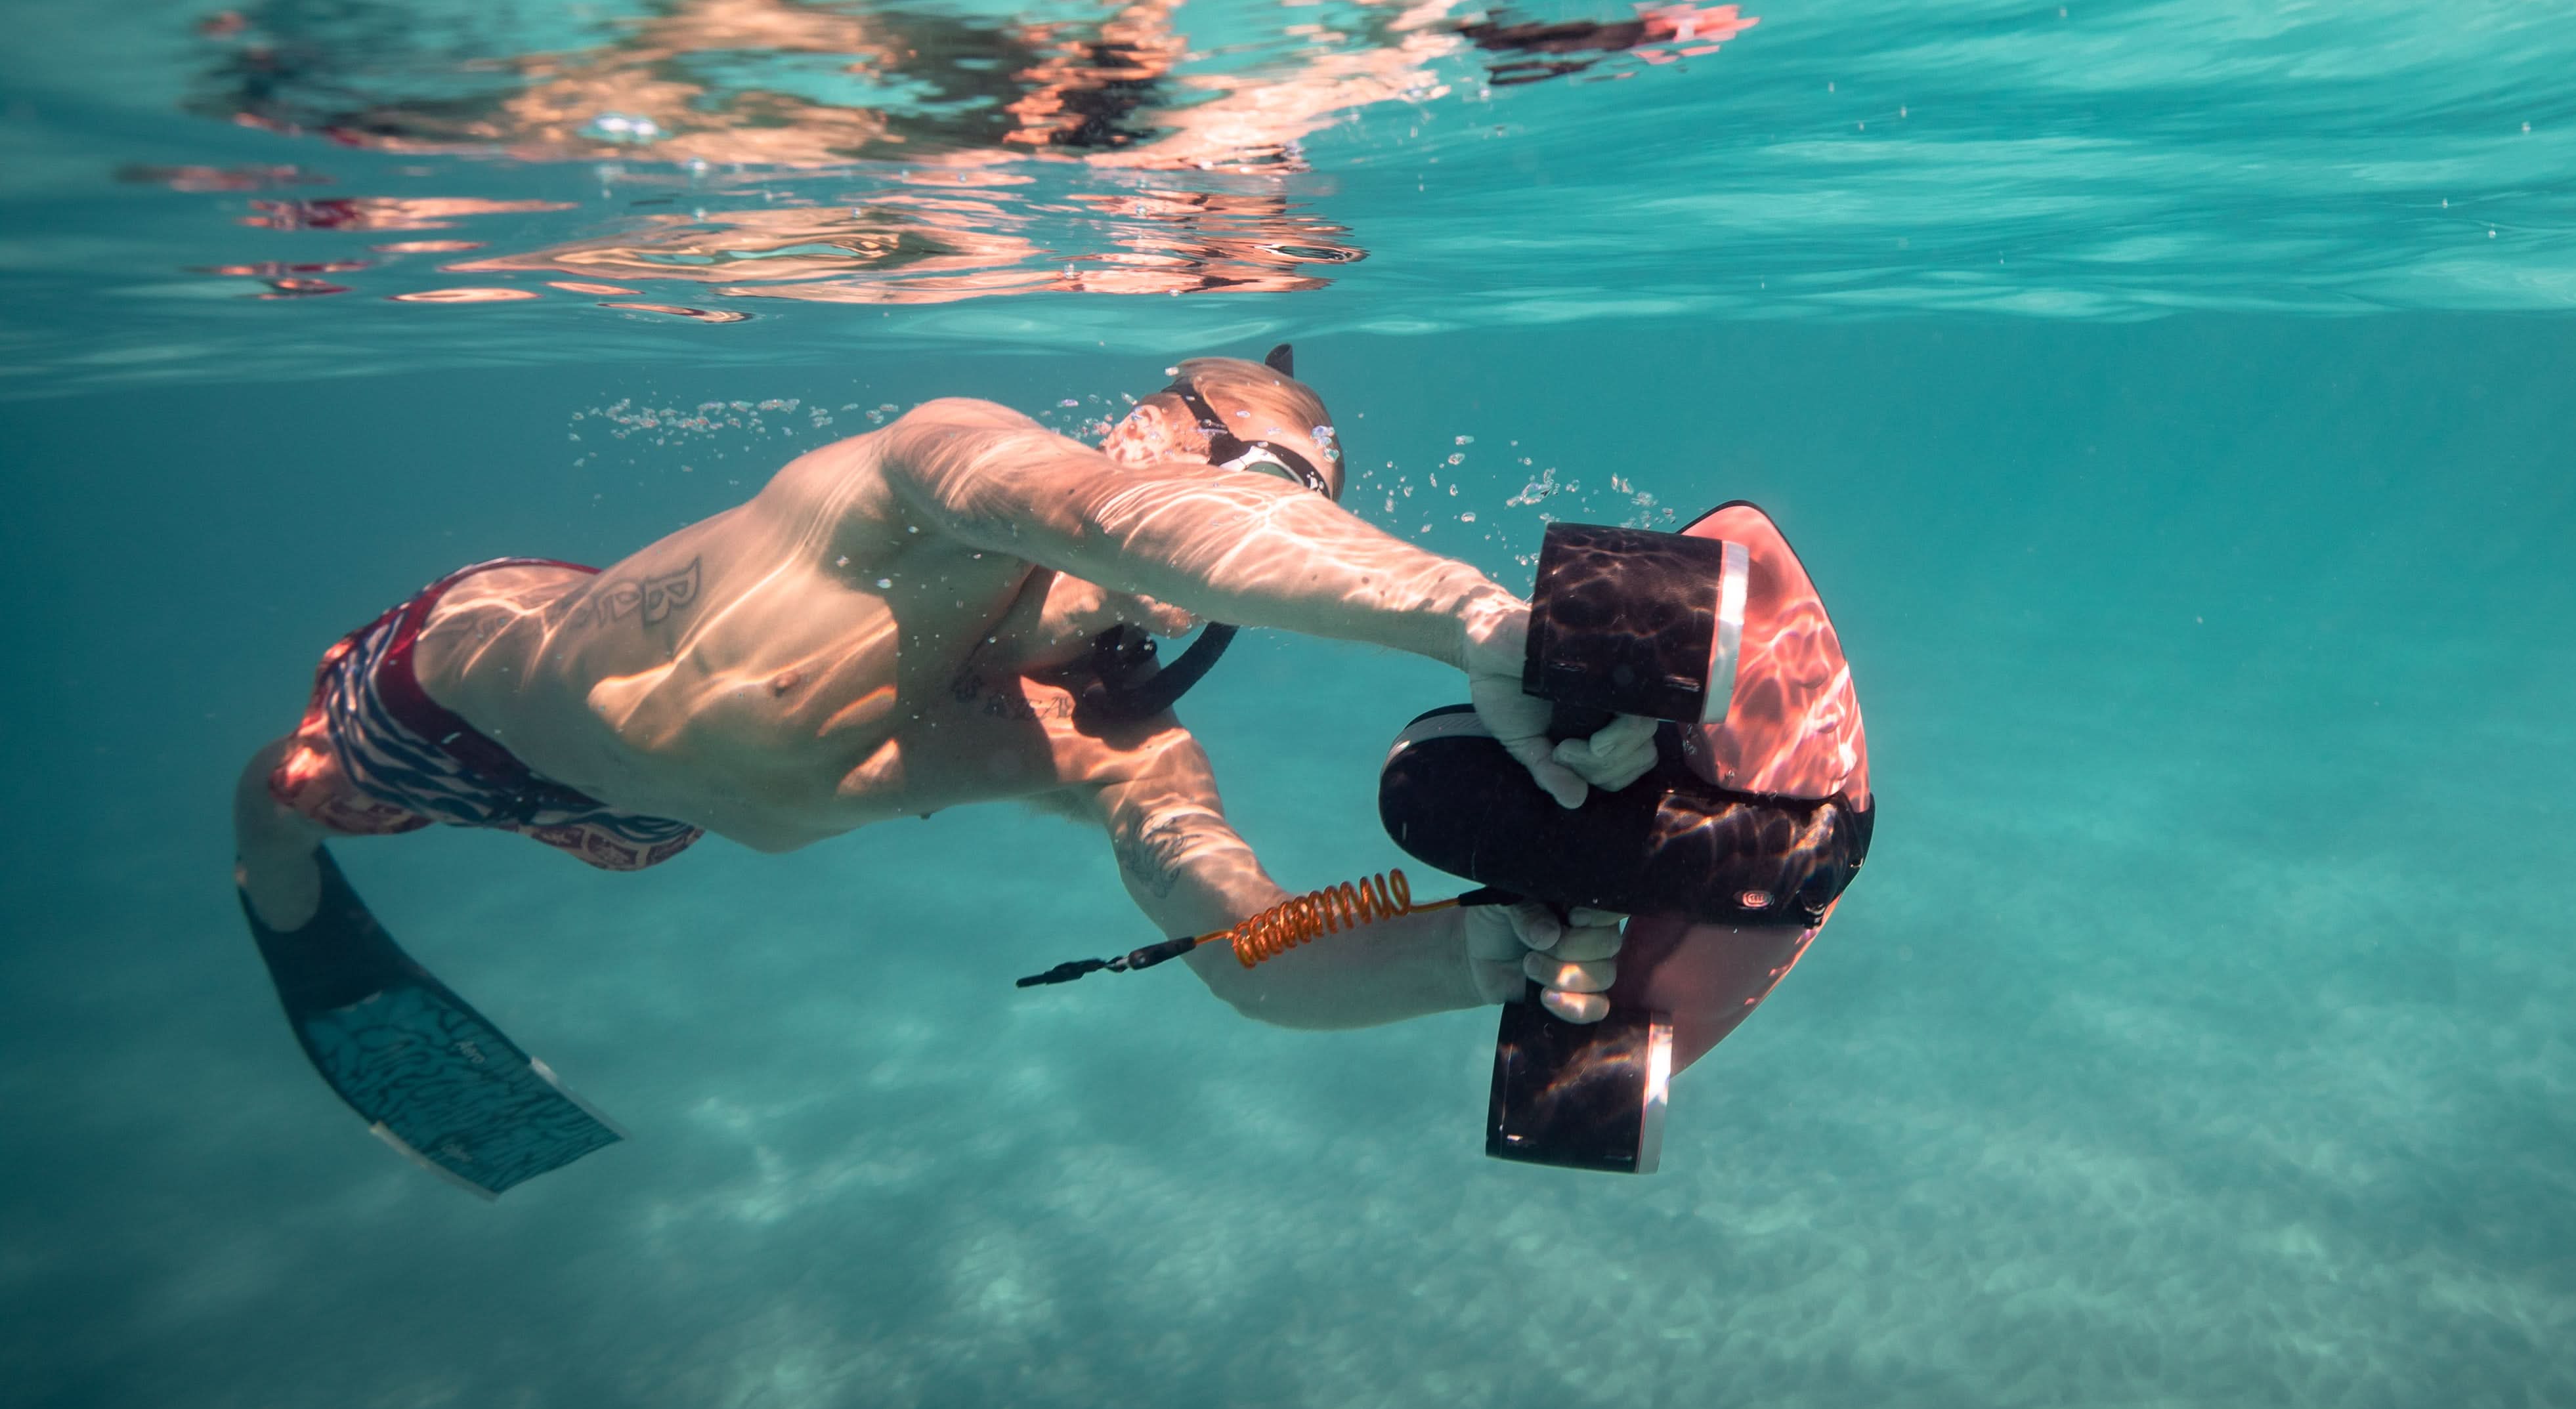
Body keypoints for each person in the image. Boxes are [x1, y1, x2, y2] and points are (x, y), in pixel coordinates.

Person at [233, 350, 1650, 1034]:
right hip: (461, 696)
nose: (1284, 548)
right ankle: (269, 860)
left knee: (618, 849)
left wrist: (1482, 957)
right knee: (310, 793)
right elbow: (1113, 520)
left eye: (1315, 515)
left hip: (635, 817)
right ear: (1148, 431)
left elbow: (1249, 952)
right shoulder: (944, 465)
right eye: (1279, 491)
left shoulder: (1115, 747)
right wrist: (1474, 615)